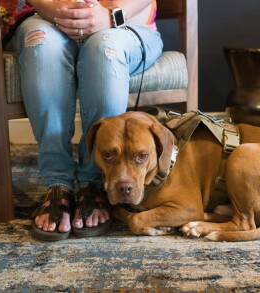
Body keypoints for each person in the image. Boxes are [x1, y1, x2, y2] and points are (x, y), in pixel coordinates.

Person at [15, 0, 164, 241]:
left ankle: (96, 183)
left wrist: (112, 16)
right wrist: (55, 12)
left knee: (103, 47)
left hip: (128, 25)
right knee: (41, 43)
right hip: (49, 20)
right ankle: (57, 184)